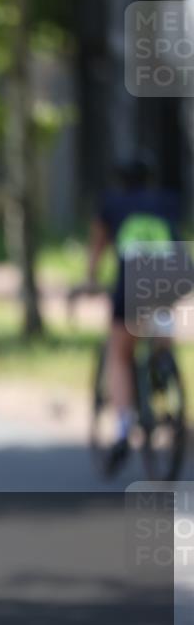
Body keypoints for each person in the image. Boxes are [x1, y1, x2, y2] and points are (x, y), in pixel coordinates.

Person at [85, 157, 182, 476]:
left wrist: (90, 279)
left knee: (120, 353)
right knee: (160, 335)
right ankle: (163, 375)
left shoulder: (111, 204)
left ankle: (125, 427)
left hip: (131, 286)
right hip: (170, 280)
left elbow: (97, 248)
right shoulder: (167, 201)